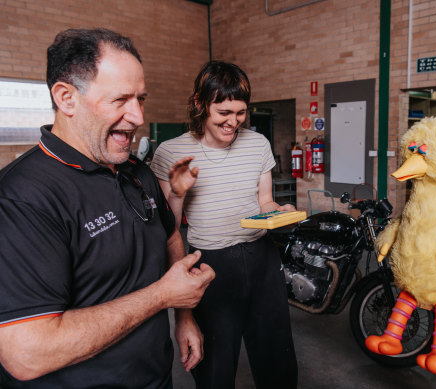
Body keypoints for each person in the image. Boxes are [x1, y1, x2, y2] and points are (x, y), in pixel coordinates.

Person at [0, 28, 215, 388]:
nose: (137, 117)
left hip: (155, 377)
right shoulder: (22, 198)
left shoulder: (136, 172)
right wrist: (164, 295)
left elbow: (169, 236)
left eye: (141, 99)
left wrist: (184, 316)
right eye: (121, 100)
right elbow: (28, 354)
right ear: (66, 98)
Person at [150, 61, 298, 389]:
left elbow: (264, 201)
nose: (233, 122)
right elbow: (168, 229)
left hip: (262, 258)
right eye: (224, 113)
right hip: (211, 265)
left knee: (277, 359)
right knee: (215, 366)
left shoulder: (257, 144)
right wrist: (176, 193)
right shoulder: (171, 152)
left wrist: (279, 211)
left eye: (241, 113)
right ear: (201, 104)